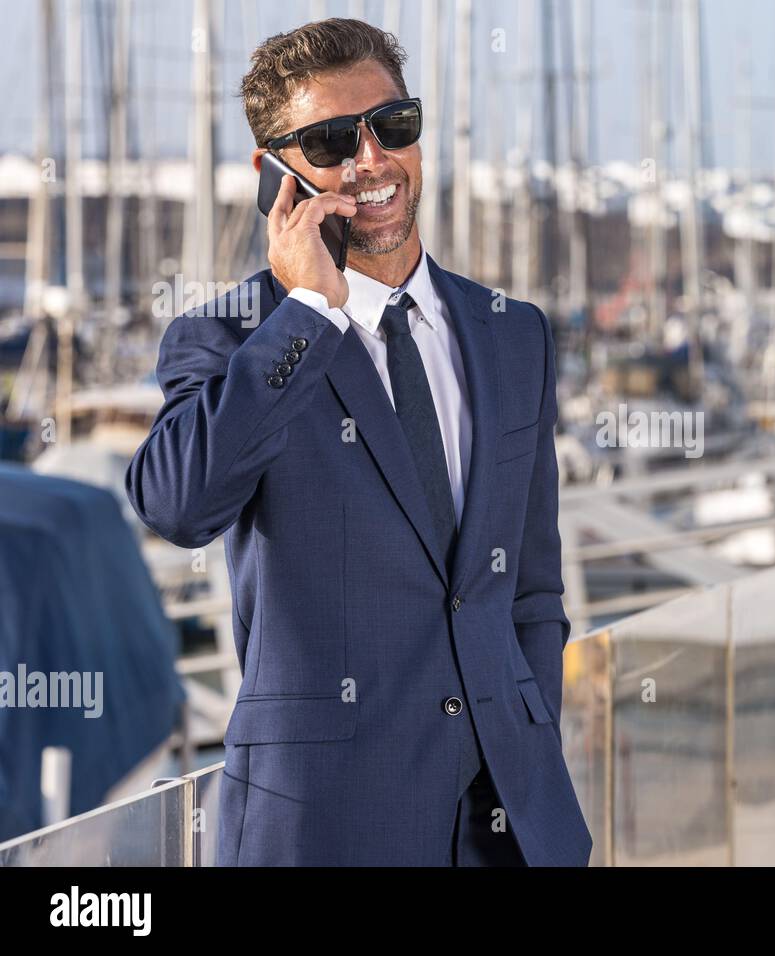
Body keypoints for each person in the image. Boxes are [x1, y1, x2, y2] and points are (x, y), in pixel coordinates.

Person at [124, 18, 592, 866]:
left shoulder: (513, 334)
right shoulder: (234, 337)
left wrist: (529, 741)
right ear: (276, 175)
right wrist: (309, 312)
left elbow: (529, 588)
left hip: (512, 827)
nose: (372, 161)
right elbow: (176, 503)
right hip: (323, 831)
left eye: (394, 126)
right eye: (335, 141)